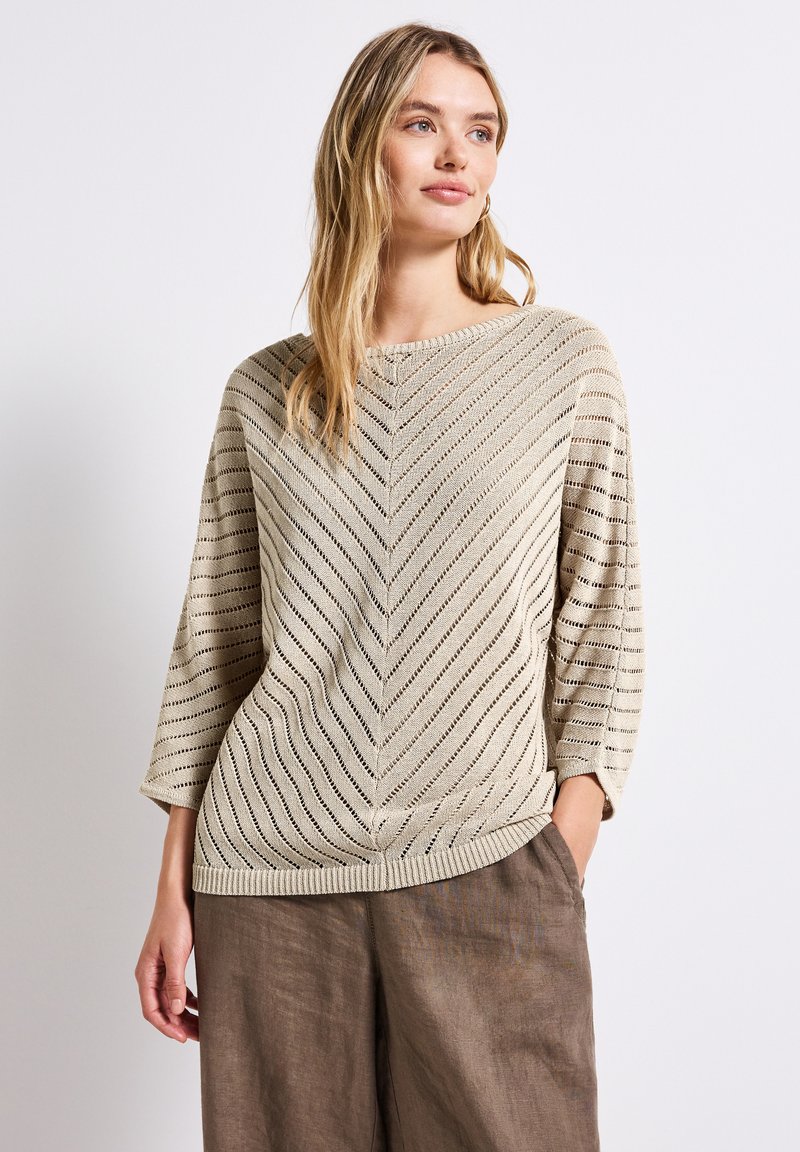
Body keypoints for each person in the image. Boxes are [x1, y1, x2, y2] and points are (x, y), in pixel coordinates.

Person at [134, 21, 645, 1152]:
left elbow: (601, 630)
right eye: (421, 124)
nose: (457, 154)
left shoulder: (561, 363)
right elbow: (214, 651)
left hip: (488, 862)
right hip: (267, 879)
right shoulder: (266, 391)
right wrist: (172, 889)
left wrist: (554, 856)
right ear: (359, 145)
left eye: (482, 130)